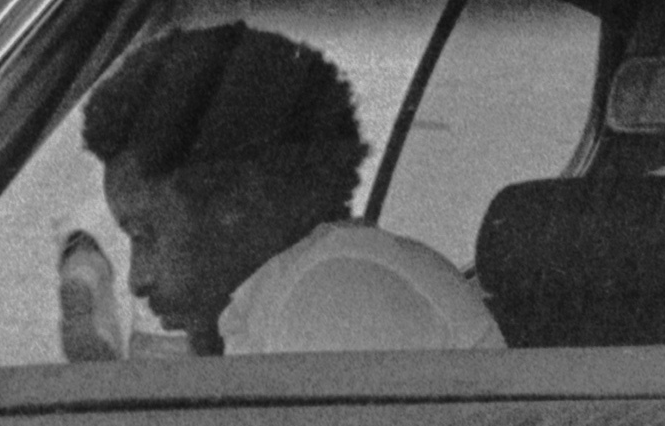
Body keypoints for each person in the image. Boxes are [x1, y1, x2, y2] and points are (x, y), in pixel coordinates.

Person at [57, 23, 498, 359]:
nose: (137, 279)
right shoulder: (293, 292)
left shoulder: (333, 292)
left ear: (231, 203)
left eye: (144, 236)